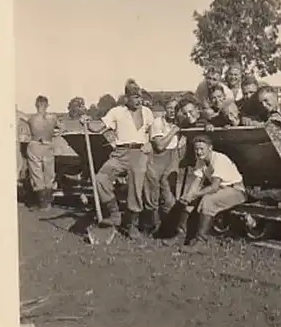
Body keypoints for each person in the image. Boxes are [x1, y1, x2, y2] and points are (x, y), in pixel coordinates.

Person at [81, 81, 154, 241]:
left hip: (140, 152)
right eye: (135, 97)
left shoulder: (147, 112)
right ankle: (115, 214)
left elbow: (152, 131)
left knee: (136, 188)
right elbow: (98, 127)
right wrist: (87, 120)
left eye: (139, 97)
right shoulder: (116, 112)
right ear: (126, 98)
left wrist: (149, 142)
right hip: (120, 152)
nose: (138, 100)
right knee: (101, 179)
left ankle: (132, 226)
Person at [175, 134, 247, 250]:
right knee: (189, 200)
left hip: (236, 191)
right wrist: (188, 196)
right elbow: (197, 181)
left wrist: (195, 194)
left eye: (201, 149)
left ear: (210, 148)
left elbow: (213, 187)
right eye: (196, 149)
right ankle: (180, 237)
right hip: (221, 189)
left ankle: (200, 243)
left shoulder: (219, 159)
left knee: (208, 200)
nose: (198, 152)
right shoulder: (201, 160)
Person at [143, 98, 181, 232]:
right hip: (157, 158)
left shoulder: (179, 122)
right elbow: (159, 145)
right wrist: (173, 132)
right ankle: (152, 225)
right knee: (152, 191)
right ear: (165, 109)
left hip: (172, 157)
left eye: (176, 108)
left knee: (168, 192)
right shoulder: (158, 123)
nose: (172, 111)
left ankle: (169, 225)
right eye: (170, 108)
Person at [26, 96, 63, 211]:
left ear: (36, 105)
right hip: (48, 146)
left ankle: (42, 204)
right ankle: (48, 203)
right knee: (49, 174)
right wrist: (56, 134)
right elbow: (63, 128)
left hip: (35, 146)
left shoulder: (31, 118)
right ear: (47, 105)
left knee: (37, 174)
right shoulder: (53, 118)